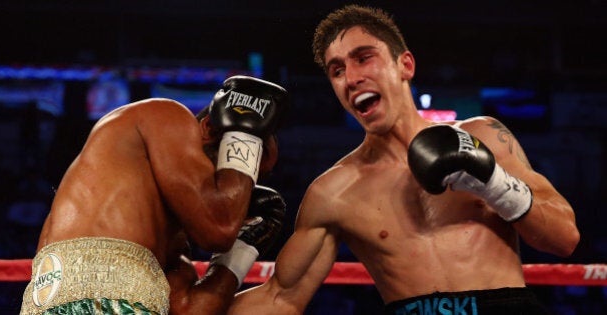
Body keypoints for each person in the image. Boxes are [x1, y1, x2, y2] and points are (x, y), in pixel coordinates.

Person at [228, 5, 580, 315]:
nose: (351, 78)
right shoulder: (334, 192)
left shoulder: (486, 135)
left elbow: (565, 238)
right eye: (337, 71)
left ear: (405, 65)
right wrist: (186, 301)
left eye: (364, 58)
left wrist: (495, 183)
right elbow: (281, 299)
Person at [19, 75, 289, 315]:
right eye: (238, 168)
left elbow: (187, 310)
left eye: (251, 179)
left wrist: (240, 252)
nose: (240, 186)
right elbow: (220, 228)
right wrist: (246, 137)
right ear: (207, 129)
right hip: (91, 297)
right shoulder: (163, 116)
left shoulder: (165, 239)